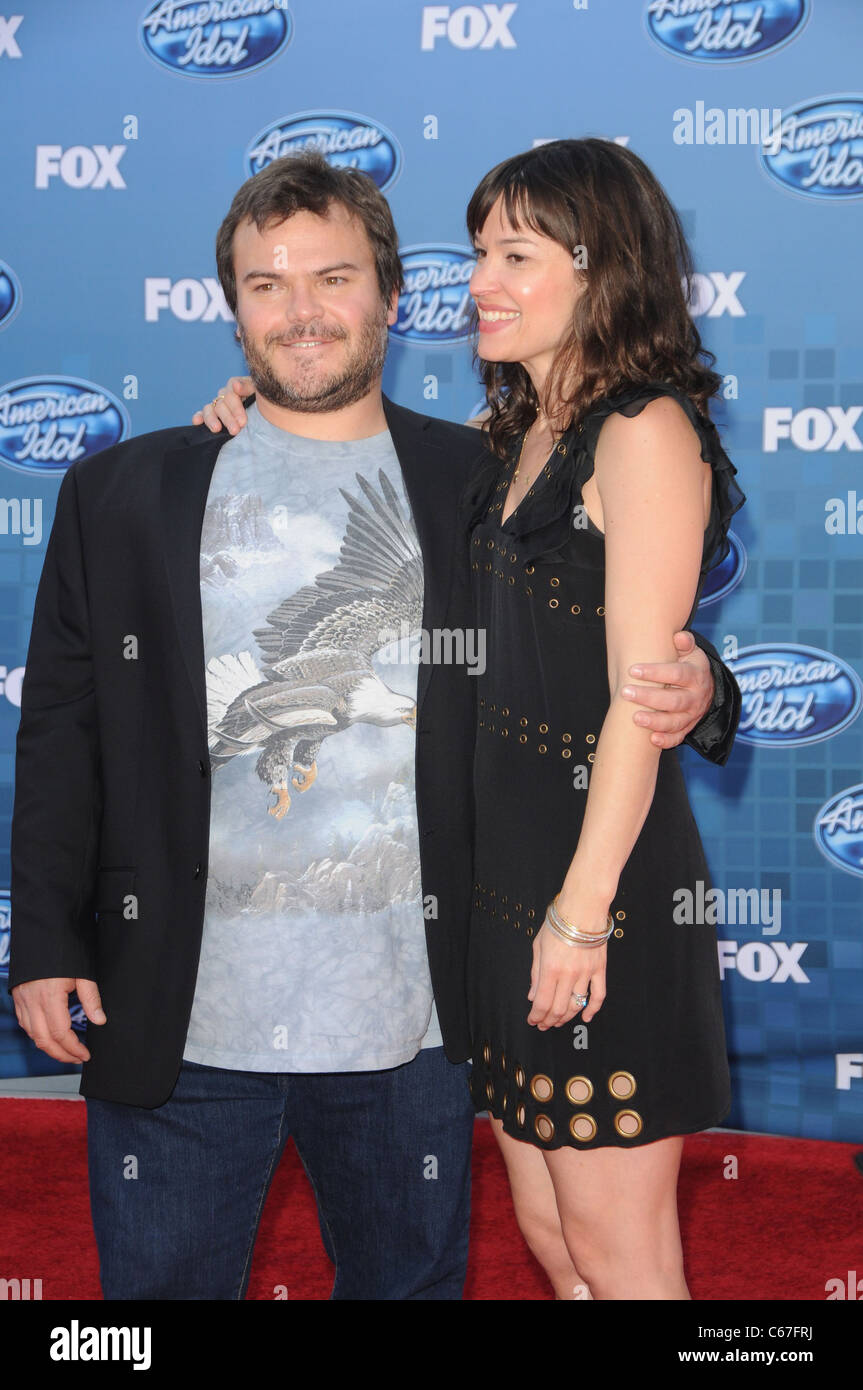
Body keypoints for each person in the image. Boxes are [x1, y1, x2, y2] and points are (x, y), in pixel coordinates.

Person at [9, 152, 737, 1302]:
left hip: (419, 1017)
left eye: (332, 277)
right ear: (233, 310)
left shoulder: (471, 475)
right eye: (267, 285)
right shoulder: (132, 491)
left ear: (391, 299)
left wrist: (702, 683)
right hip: (186, 1014)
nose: (301, 311)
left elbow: (601, 629)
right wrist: (45, 938)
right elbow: (60, 726)